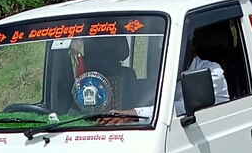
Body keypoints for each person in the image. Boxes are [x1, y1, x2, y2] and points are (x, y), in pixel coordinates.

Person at [98, 37, 230, 125]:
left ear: (191, 47)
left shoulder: (212, 71)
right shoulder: (164, 72)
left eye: (173, 46)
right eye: (163, 47)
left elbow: (181, 108)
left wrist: (132, 114)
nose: (165, 51)